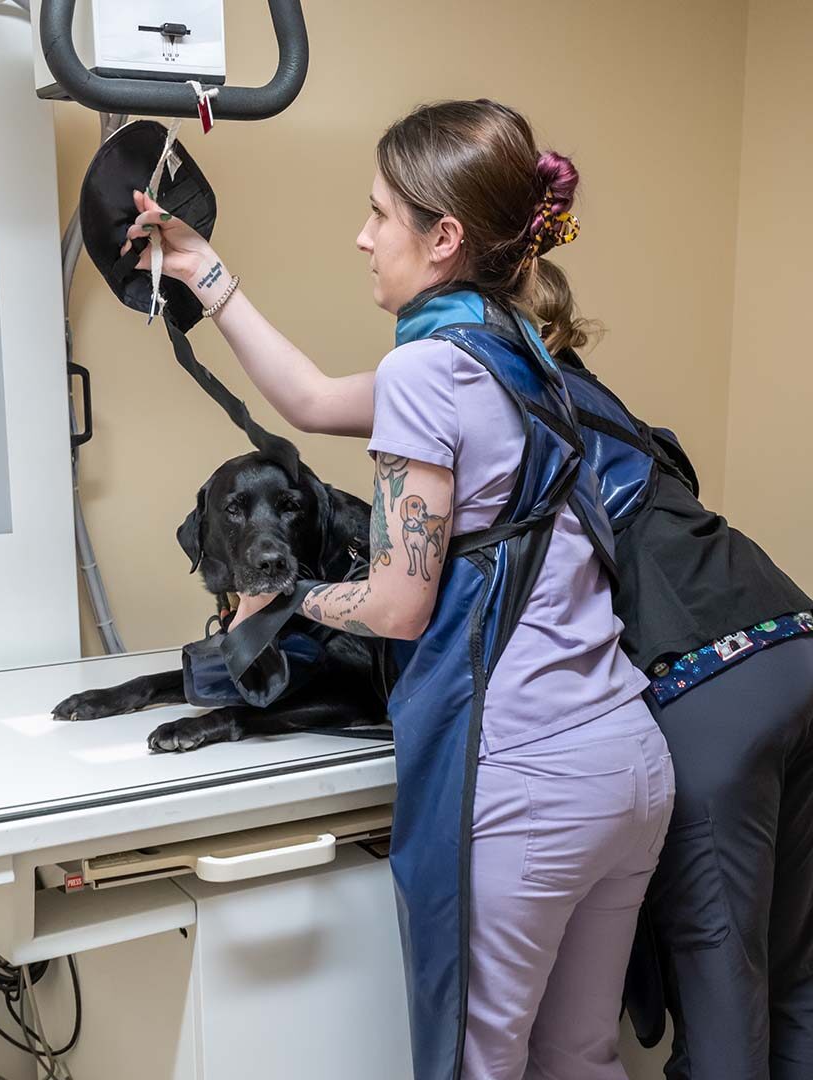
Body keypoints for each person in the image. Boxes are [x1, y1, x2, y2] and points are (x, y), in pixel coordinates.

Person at [122, 99, 673, 1080]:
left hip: (526, 778)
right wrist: (203, 270)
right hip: (626, 763)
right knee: (582, 1058)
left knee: (477, 1062)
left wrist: (287, 599)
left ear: (444, 237)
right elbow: (309, 401)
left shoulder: (431, 368)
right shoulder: (517, 354)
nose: (364, 237)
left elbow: (395, 607)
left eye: (381, 213)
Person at [557, 349, 813, 1080]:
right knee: (793, 969)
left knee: (723, 981)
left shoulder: (503, 408)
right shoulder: (612, 412)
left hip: (708, 677)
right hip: (793, 634)